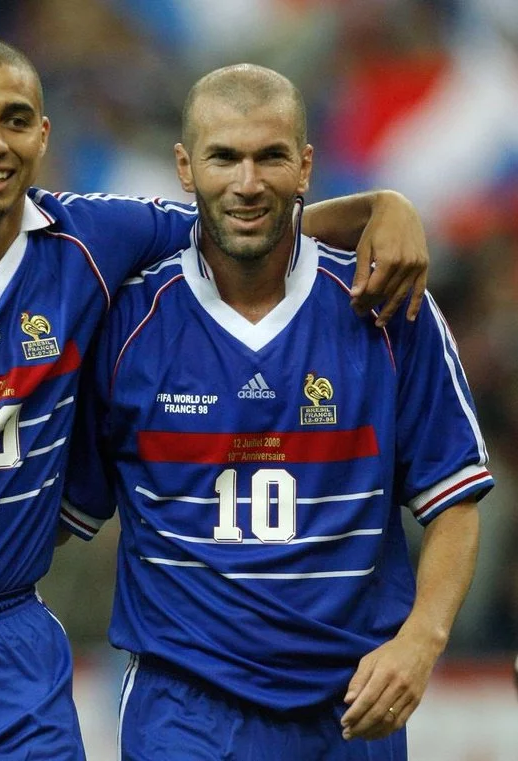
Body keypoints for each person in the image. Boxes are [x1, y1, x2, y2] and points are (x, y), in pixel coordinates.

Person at [0, 36, 430, 761]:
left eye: (13, 119)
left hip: (10, 641)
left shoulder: (87, 240)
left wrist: (382, 207)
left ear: (42, 133)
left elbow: (237, 225)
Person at [61, 63, 494, 760]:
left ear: (305, 165)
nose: (246, 181)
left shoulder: (385, 306)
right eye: (223, 156)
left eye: (269, 156)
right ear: (183, 165)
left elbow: (455, 500)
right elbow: (60, 514)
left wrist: (420, 640)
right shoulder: (128, 324)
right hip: (186, 707)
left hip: (350, 704)